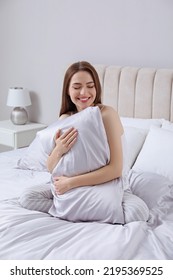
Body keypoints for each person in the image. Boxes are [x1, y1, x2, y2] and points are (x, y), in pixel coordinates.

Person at [46, 61, 124, 195]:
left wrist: (70, 183)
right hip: (68, 188)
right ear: (67, 90)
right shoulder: (66, 119)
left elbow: (116, 169)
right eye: (76, 87)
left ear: (96, 88)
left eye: (90, 86)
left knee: (137, 212)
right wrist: (59, 150)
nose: (84, 92)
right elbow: (50, 168)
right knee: (28, 197)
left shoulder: (106, 115)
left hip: (103, 184)